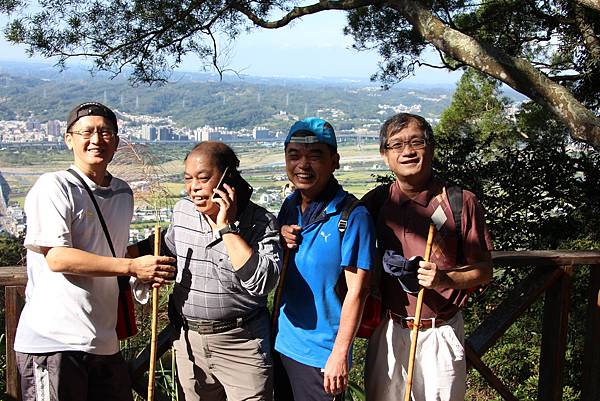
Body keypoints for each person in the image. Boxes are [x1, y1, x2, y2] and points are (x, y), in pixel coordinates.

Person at [14, 102, 176, 401]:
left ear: (116, 141)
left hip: (103, 340)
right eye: (86, 131)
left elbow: (111, 252)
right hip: (54, 342)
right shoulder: (54, 187)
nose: (96, 139)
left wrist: (144, 268)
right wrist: (132, 268)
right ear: (68, 139)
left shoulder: (123, 193)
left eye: (105, 132)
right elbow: (58, 257)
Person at [131, 141, 282, 401]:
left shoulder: (261, 222)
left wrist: (225, 228)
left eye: (203, 178)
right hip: (190, 342)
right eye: (188, 179)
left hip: (241, 344)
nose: (194, 188)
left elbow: (261, 282)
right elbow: (167, 248)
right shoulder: (183, 212)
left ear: (228, 178)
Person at [362, 113, 493, 401]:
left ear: (431, 148)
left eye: (416, 142)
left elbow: (484, 271)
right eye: (396, 145)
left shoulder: (460, 202)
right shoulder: (375, 203)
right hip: (389, 329)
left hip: (440, 332)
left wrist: (444, 278)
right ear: (385, 156)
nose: (407, 151)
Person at [276, 117, 376, 400]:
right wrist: (278, 234)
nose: (303, 165)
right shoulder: (290, 205)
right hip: (282, 342)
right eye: (294, 155)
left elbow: (359, 291)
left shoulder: (352, 217)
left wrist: (340, 354)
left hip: (321, 353)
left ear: (334, 161)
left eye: (315, 156)